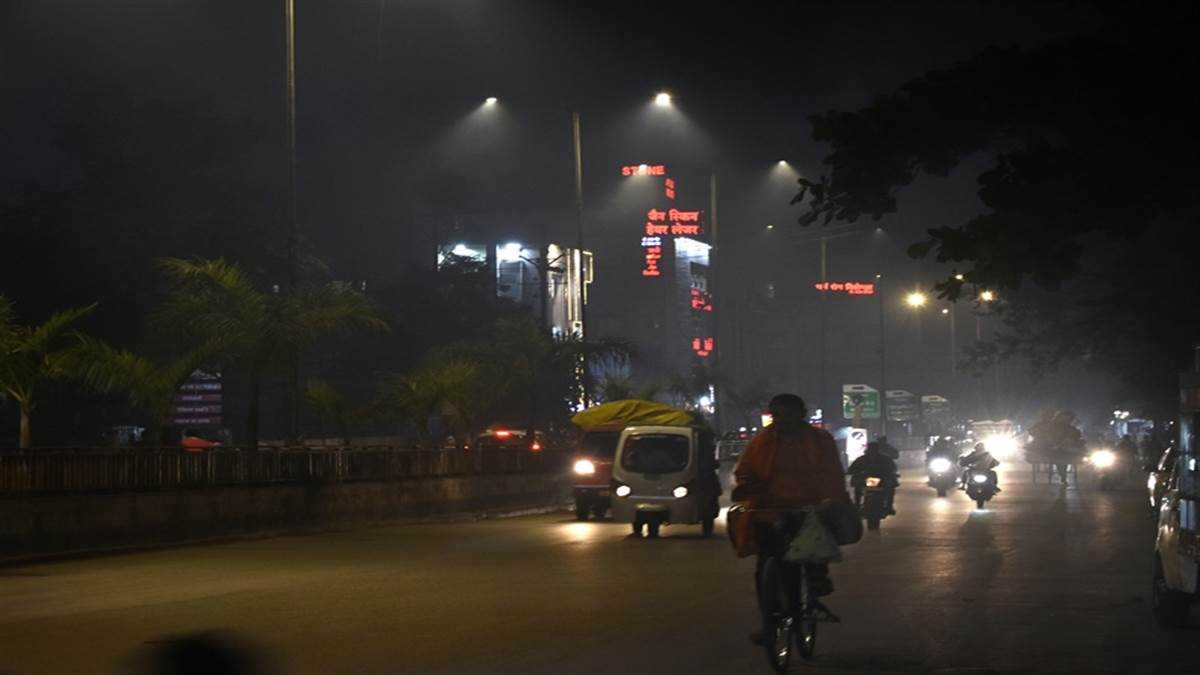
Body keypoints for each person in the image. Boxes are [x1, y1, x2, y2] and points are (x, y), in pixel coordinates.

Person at [733, 393, 850, 642]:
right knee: (765, 565)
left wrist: (830, 500)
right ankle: (769, 621)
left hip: (809, 509)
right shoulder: (762, 442)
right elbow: (745, 471)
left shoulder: (820, 440)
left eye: (787, 414)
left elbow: (832, 474)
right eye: (777, 415)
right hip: (770, 510)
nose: (781, 420)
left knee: (811, 552)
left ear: (801, 415)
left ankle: (816, 584)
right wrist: (746, 487)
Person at [847, 441, 899, 514]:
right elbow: (852, 469)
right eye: (871, 449)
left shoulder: (885, 459)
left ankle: (889, 506)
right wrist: (853, 472)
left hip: (882, 480)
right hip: (866, 480)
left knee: (891, 486)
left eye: (874, 449)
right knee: (857, 487)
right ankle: (857, 505)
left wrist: (890, 474)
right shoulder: (861, 459)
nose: (872, 451)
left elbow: (893, 468)